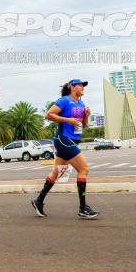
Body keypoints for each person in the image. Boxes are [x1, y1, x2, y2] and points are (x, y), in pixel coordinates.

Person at [32, 79, 99, 219]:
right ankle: (82, 208)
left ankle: (39, 201)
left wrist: (86, 116)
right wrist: (68, 120)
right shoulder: (64, 100)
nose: (83, 88)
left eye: (83, 86)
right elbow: (49, 115)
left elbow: (83, 125)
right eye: (80, 86)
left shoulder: (81, 103)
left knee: (56, 173)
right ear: (72, 88)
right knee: (84, 169)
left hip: (72, 141)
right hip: (63, 140)